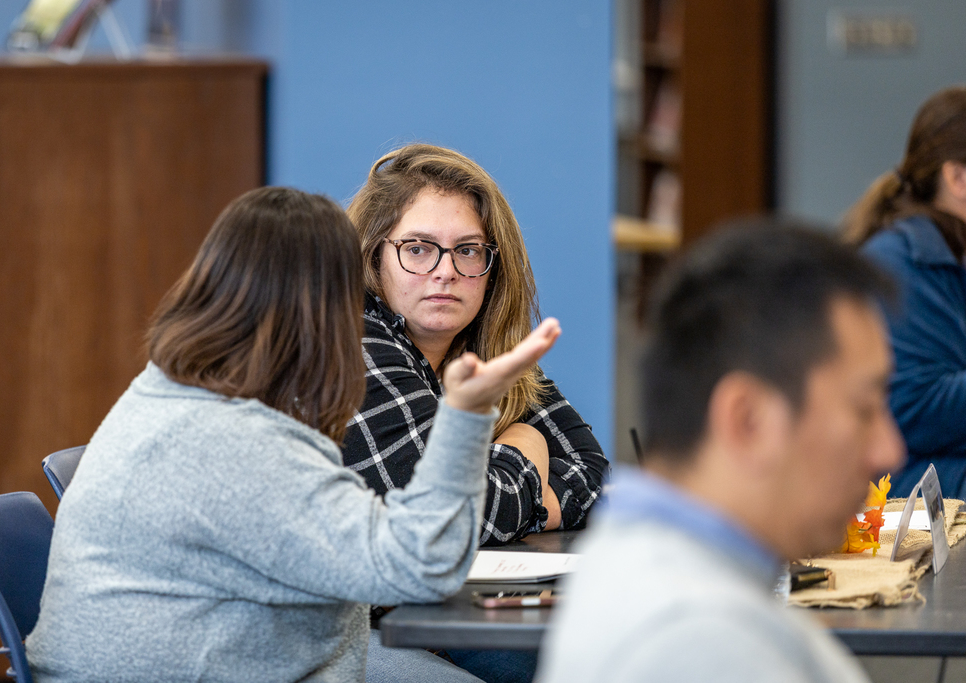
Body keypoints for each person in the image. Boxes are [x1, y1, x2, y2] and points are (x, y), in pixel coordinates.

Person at [25, 187, 561, 682]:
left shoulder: (178, 391)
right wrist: (466, 416)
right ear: (324, 311)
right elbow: (421, 565)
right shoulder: (234, 442)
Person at [537, 223, 905, 683]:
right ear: (747, 421)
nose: (890, 450)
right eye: (864, 409)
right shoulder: (696, 641)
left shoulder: (676, 579)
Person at [343, 144, 607, 545]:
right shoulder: (350, 339)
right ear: (373, 257)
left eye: (467, 251)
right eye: (418, 249)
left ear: (492, 267)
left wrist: (499, 487)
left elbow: (592, 475)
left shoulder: (479, 346)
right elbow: (451, 524)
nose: (446, 272)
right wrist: (524, 443)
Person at [844, 86, 966, 498]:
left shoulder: (951, 252)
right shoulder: (897, 264)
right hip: (907, 486)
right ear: (957, 177)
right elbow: (915, 410)